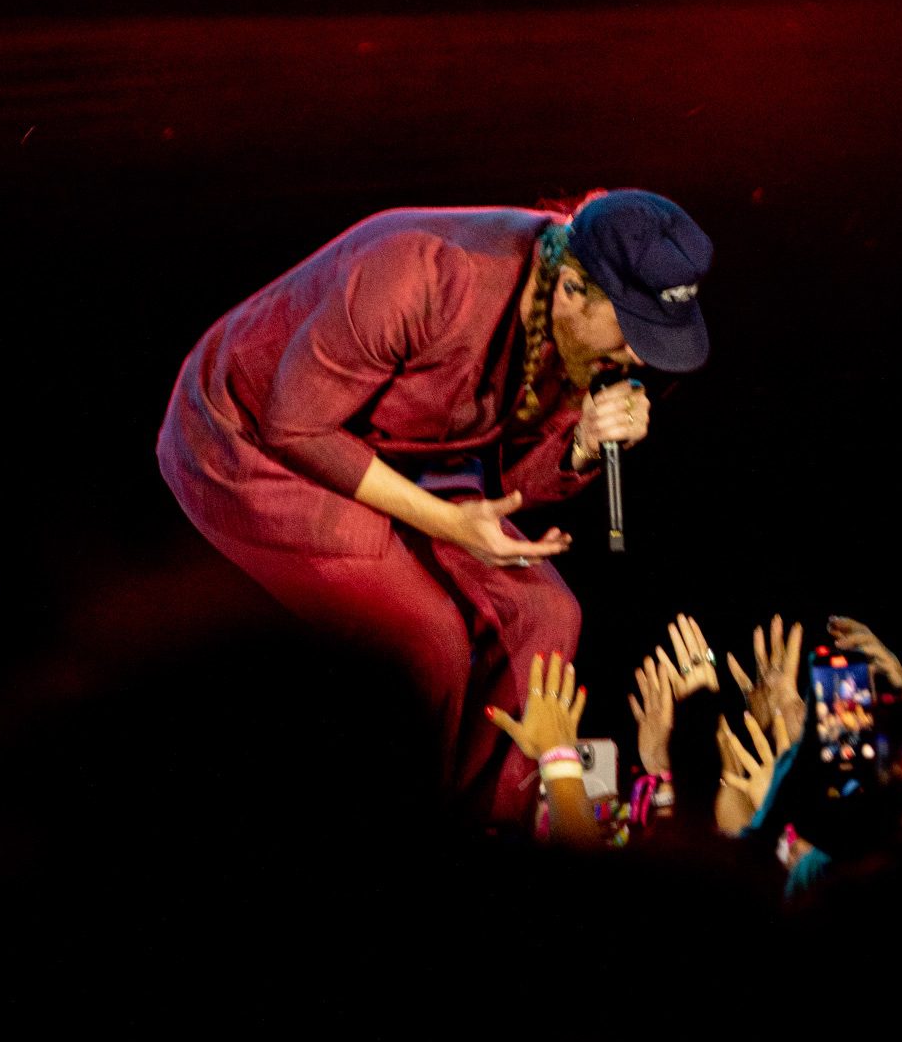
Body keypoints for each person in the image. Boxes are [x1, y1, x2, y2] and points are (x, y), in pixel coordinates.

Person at [157, 189, 714, 825]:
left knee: (547, 615)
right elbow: (298, 428)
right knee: (429, 637)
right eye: (634, 330)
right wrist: (447, 522)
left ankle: (493, 830)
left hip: (411, 451)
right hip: (255, 443)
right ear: (569, 289)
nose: (641, 357)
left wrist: (582, 445)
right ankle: (408, 835)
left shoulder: (580, 338)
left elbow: (513, 482)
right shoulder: (421, 271)